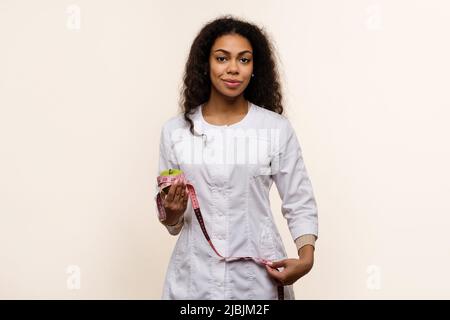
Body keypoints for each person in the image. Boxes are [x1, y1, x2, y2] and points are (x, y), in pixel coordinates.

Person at [155, 15, 318, 300]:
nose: (233, 69)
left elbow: (299, 198)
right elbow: (172, 220)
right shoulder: (176, 131)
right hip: (194, 281)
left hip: (257, 281)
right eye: (222, 58)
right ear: (206, 64)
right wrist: (171, 212)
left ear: (255, 68)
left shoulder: (274, 129)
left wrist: (306, 258)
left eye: (244, 60)